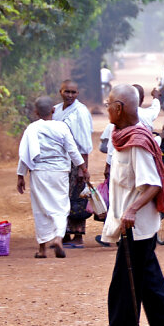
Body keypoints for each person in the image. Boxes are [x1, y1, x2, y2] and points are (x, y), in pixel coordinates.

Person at [89, 84, 164, 326]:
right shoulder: (122, 137)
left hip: (138, 227)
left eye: (109, 104)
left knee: (123, 287)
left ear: (119, 108)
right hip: (130, 226)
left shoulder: (137, 141)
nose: (106, 107)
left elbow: (153, 185)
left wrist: (131, 209)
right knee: (149, 285)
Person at [17, 96, 87, 258]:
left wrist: (21, 175)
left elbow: (24, 154)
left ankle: (42, 249)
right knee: (61, 207)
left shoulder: (32, 128)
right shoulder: (62, 127)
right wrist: (83, 168)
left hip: (39, 171)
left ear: (35, 112)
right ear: (54, 110)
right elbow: (73, 151)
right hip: (60, 172)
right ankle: (58, 238)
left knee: (40, 208)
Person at [52, 80, 93, 248]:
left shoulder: (80, 112)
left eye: (73, 92)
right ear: (60, 91)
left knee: (77, 197)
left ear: (78, 94)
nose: (69, 95)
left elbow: (84, 142)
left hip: (76, 161)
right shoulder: (55, 110)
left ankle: (78, 236)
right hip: (60, 160)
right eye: (66, 91)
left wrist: (84, 168)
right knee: (63, 197)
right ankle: (66, 234)